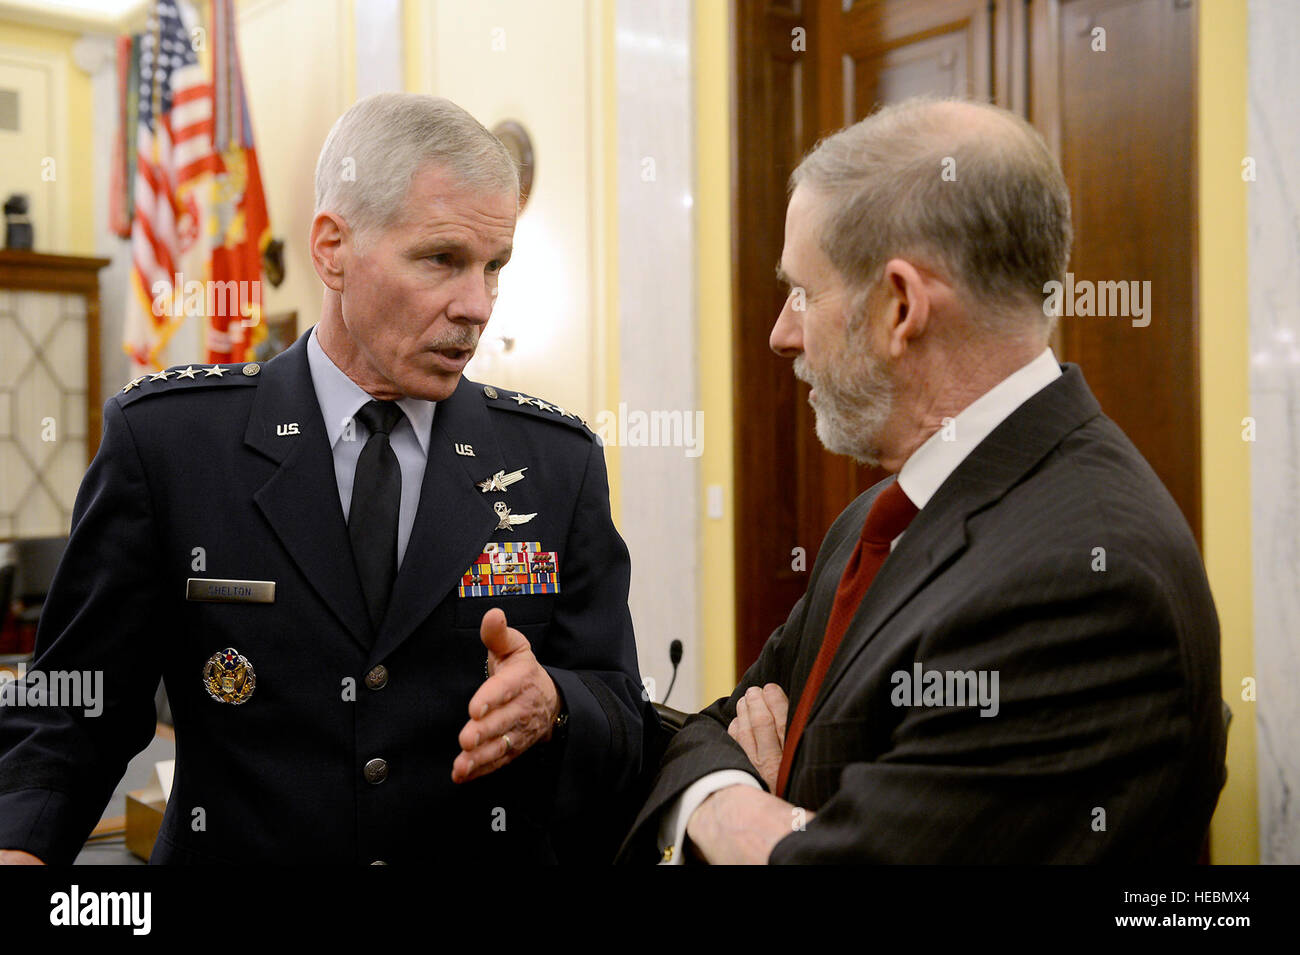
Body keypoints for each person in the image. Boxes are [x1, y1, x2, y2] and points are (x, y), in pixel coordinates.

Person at [0, 93, 654, 865]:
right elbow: (71, 714)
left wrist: (559, 705)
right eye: (442, 259)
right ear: (333, 247)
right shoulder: (172, 446)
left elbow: (626, 716)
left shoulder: (556, 464)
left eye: (494, 267)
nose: (476, 305)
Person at [621, 97, 1227, 864]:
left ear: (900, 305)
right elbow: (717, 725)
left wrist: (745, 819)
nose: (782, 333)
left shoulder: (1086, 580)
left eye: (803, 292)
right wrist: (735, 797)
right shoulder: (880, 513)